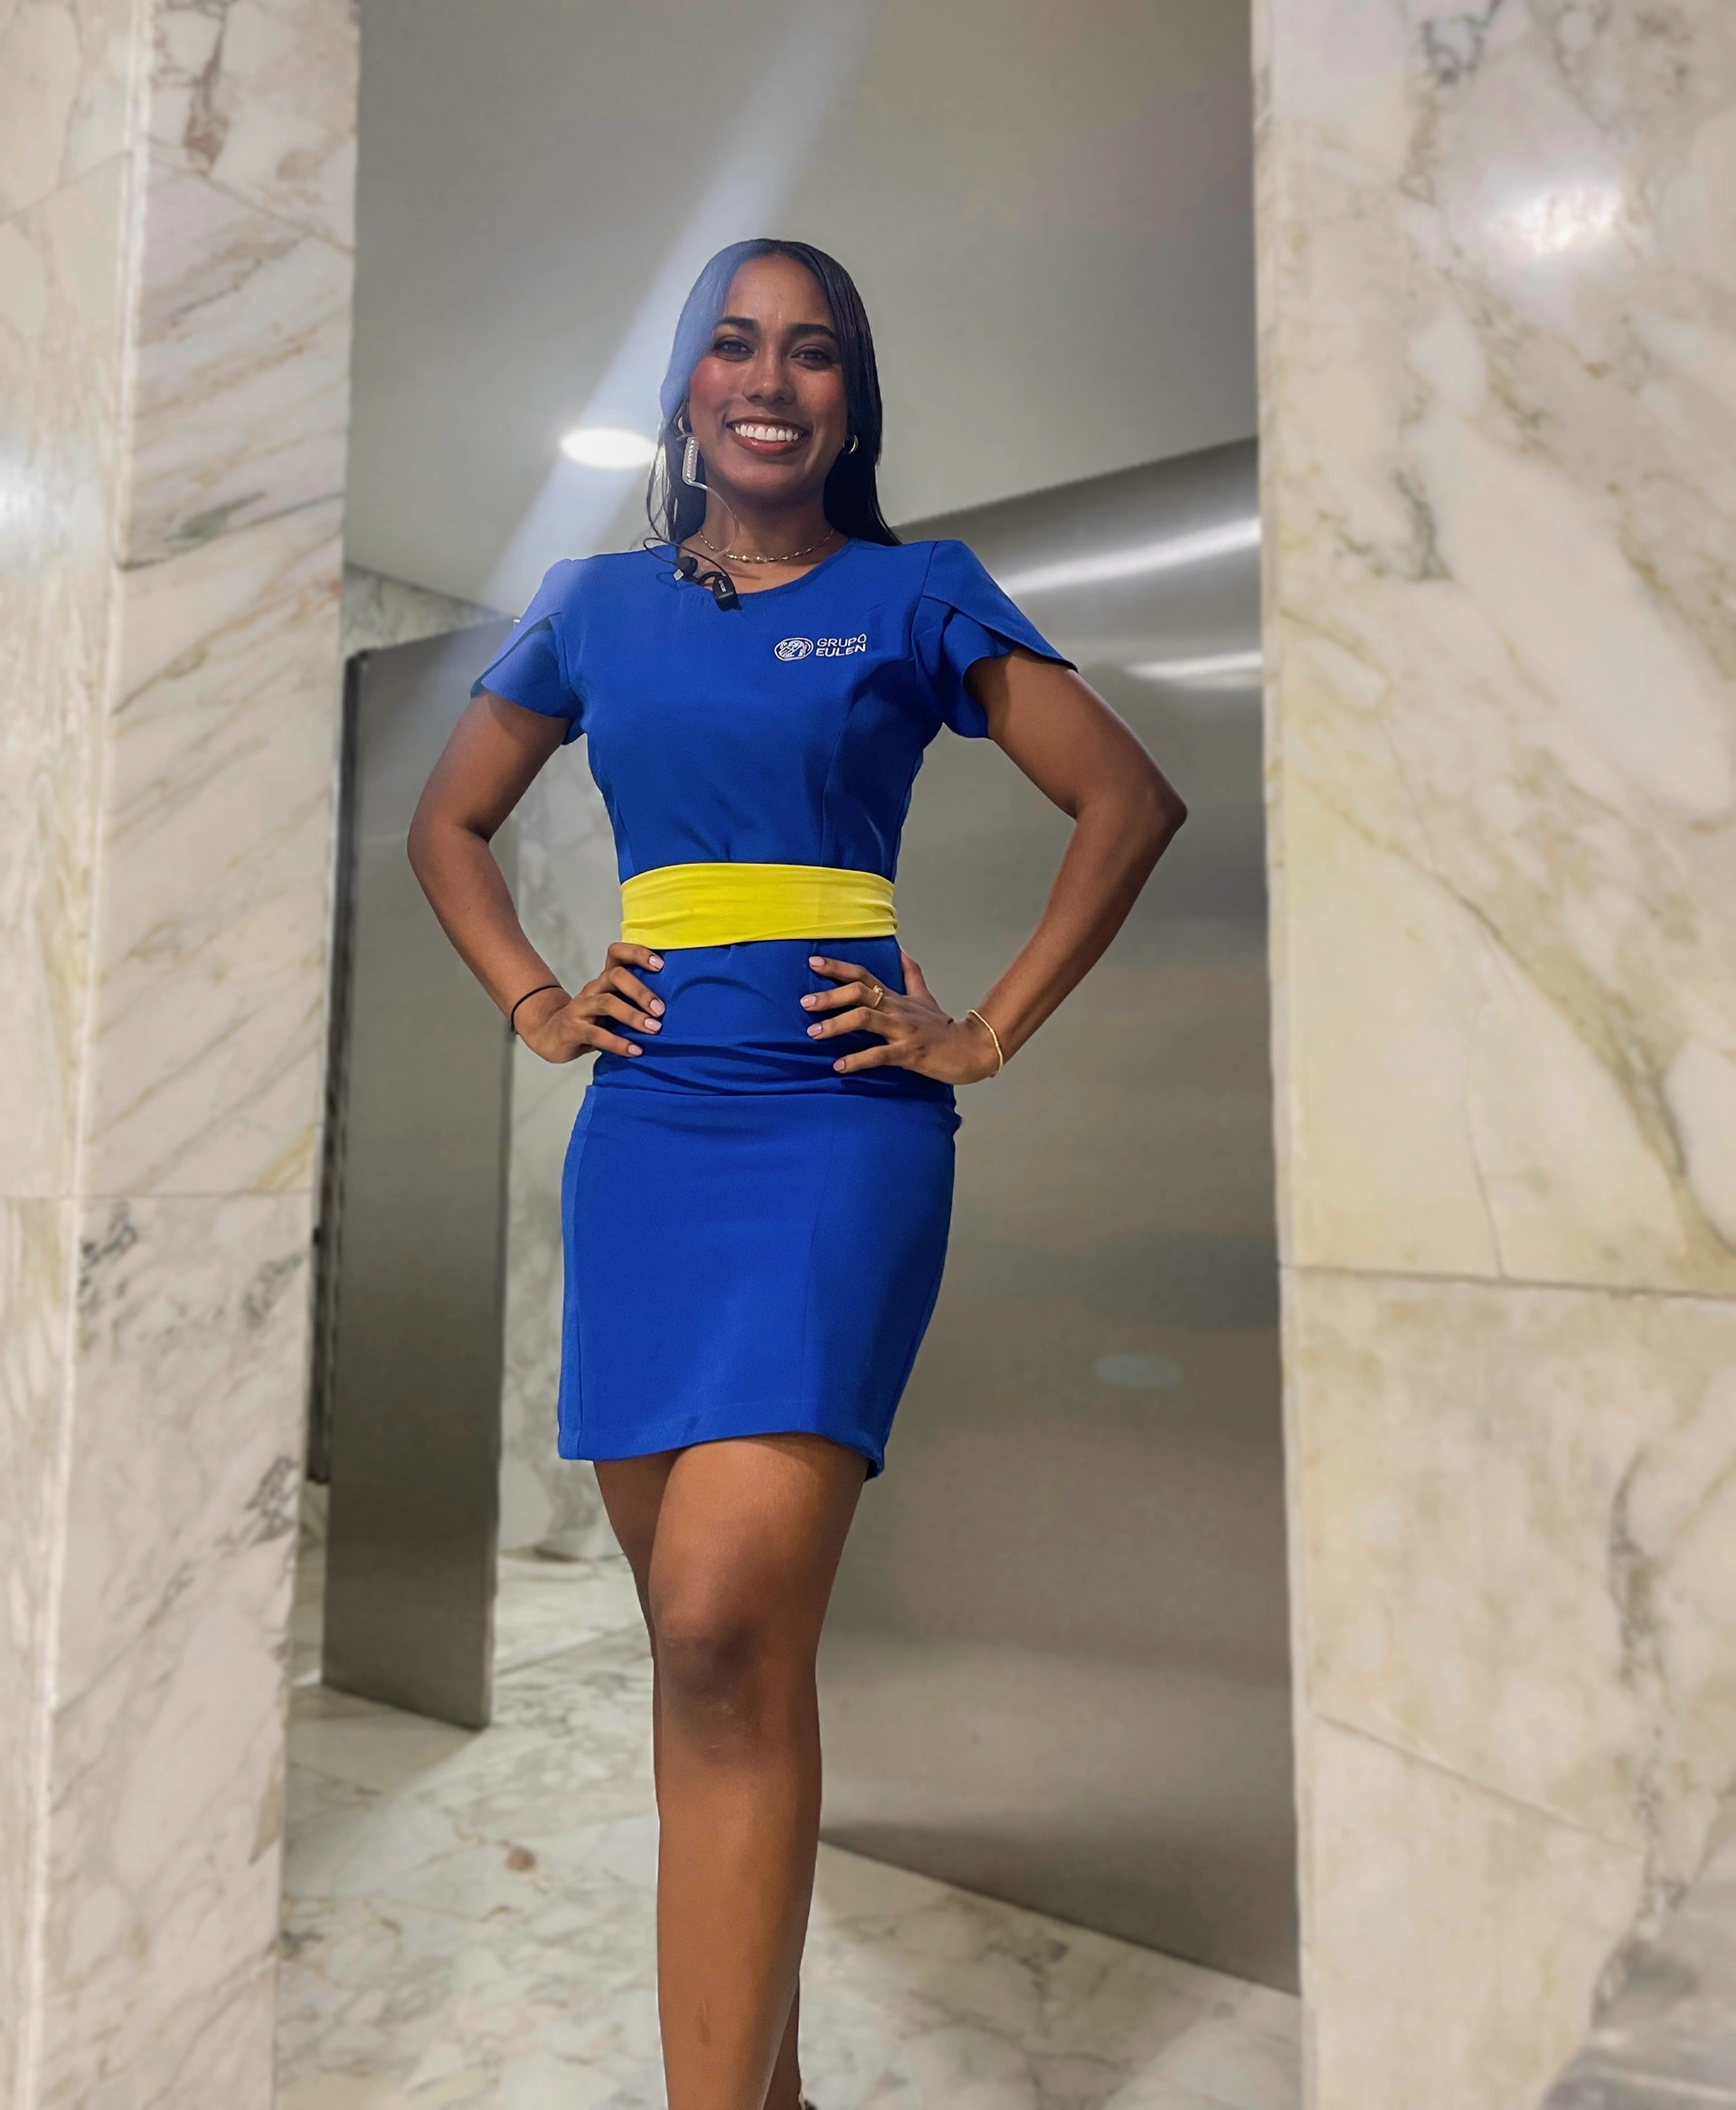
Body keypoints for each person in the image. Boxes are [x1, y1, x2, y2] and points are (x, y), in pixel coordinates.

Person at [408, 237, 1185, 2110]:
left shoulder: (919, 594)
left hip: (839, 1133)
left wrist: (982, 1030)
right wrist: (535, 994)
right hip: (647, 1140)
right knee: (710, 1669)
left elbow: (1128, 796)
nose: (772, 378)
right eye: (736, 345)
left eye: (813, 350)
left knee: (716, 1625)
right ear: (688, 388)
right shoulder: (593, 605)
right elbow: (448, 820)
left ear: (852, 399)